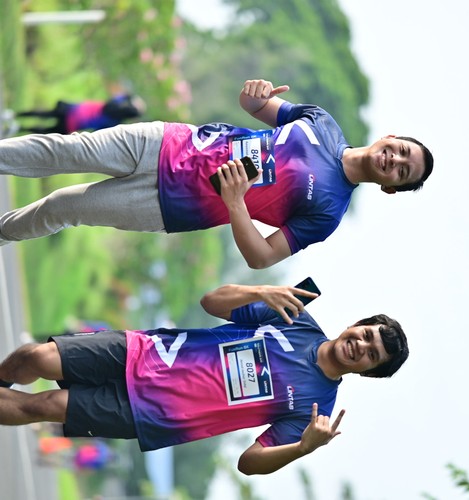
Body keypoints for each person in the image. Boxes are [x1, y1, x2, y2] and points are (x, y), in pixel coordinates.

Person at [0, 78, 434, 268]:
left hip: (168, 205)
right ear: (389, 137)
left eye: (402, 171)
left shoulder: (328, 213)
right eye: (400, 151)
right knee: (65, 149)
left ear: (391, 188)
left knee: (63, 207)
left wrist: (235, 203)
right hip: (169, 142)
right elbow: (255, 106)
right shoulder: (321, 122)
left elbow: (262, 258)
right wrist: (255, 94)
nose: (394, 160)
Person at [0, 281, 409, 475]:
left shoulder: (314, 412)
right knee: (35, 356)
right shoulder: (295, 316)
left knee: (45, 405)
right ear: (356, 324)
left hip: (154, 413)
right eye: (367, 335)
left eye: (372, 355)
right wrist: (260, 292)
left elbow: (249, 463)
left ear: (368, 372)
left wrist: (303, 448)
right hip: (150, 351)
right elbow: (211, 302)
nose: (361, 346)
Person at [11, 94, 146, 135]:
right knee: (48, 131)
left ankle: (15, 115)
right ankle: (20, 128)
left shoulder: (113, 103)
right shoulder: (115, 122)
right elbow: (97, 131)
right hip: (73, 124)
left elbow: (124, 96)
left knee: (45, 113)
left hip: (73, 110)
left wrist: (132, 99)